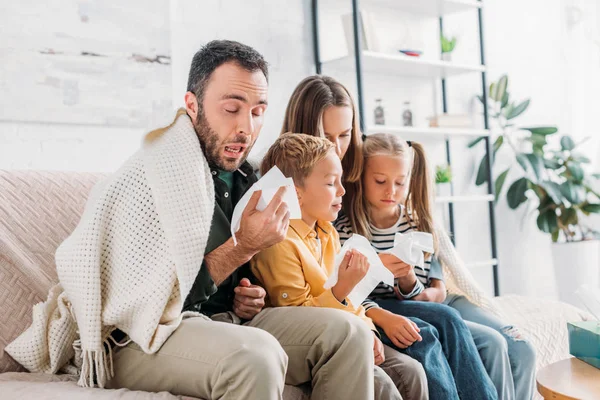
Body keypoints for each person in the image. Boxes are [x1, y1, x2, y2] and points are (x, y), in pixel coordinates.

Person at [6, 41, 385, 400]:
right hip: (142, 335)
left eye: (257, 111)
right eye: (231, 108)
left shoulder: (251, 180)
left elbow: (270, 276)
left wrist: (248, 294)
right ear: (193, 105)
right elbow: (143, 302)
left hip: (226, 324)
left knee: (347, 333)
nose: (247, 128)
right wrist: (241, 248)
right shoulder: (149, 178)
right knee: (254, 355)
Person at [282, 75, 497, 400]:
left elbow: (428, 275)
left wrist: (422, 283)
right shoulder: (310, 204)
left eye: (344, 135)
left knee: (456, 322)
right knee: (428, 331)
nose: (337, 148)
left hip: (365, 302)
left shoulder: (344, 186)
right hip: (356, 305)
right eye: (326, 136)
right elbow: (326, 287)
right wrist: (373, 311)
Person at [335, 132, 536, 400]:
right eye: (380, 181)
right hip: (375, 307)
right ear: (361, 177)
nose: (390, 191)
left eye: (400, 183)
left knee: (504, 342)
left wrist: (406, 278)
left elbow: (419, 292)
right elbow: (347, 292)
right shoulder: (346, 229)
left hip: (412, 303)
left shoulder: (415, 226)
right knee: (447, 325)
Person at [251, 133, 429, 400]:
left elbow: (354, 302)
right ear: (297, 194)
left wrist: (369, 331)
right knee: (384, 387)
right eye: (332, 183)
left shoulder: (328, 233)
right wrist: (343, 288)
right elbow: (298, 319)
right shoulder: (279, 240)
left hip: (349, 331)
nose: (343, 191)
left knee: (413, 372)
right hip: (311, 340)